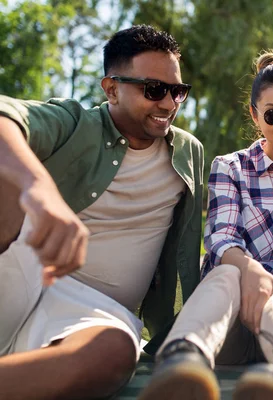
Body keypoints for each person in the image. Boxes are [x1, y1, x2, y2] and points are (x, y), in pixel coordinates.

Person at [0, 25, 203, 400]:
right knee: (7, 181)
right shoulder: (74, 122)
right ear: (111, 89)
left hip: (94, 316)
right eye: (154, 90)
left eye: (178, 91)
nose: (168, 104)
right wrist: (40, 190)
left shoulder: (187, 154)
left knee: (115, 352)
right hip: (24, 277)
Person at [138, 51, 273, 400]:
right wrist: (252, 272)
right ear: (255, 115)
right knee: (227, 272)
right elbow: (222, 239)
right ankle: (182, 365)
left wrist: (269, 284)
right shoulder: (231, 167)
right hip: (225, 326)